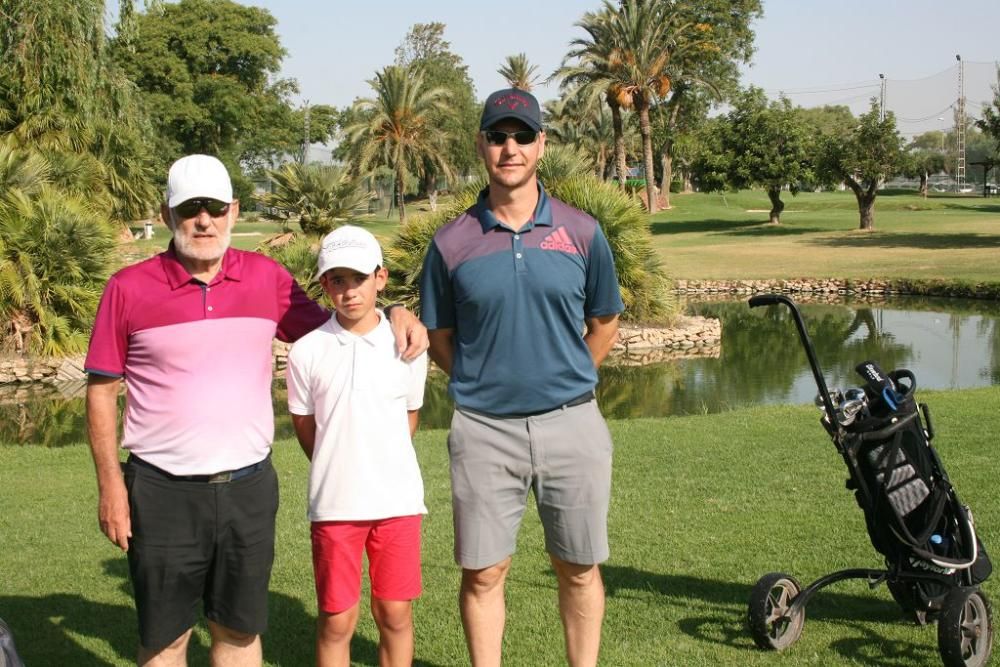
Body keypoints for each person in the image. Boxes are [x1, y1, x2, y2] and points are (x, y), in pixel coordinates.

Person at [84, 154, 427, 667]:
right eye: (191, 208)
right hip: (161, 489)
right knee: (164, 638)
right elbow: (101, 390)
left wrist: (397, 310)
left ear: (234, 210)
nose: (204, 220)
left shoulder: (266, 279)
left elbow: (344, 324)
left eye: (215, 207)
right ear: (167, 212)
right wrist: (111, 485)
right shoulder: (128, 289)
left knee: (240, 630)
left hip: (246, 487)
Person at [419, 88, 624, 667]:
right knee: (485, 572)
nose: (510, 147)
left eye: (522, 135)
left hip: (572, 425)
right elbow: (439, 337)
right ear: (481, 144)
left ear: (542, 145)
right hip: (484, 432)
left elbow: (604, 319)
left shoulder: (582, 232)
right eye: (498, 135)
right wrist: (483, 385)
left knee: (578, 568)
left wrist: (570, 375)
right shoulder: (451, 242)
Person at [285, 225, 428, 667]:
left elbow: (409, 416)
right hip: (335, 506)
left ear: (380, 279)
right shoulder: (306, 351)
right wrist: (342, 461)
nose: (349, 292)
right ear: (325, 285)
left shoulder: (407, 344)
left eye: (359, 279)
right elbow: (307, 427)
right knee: (336, 619)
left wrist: (377, 459)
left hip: (397, 502)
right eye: (338, 281)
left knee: (395, 614)